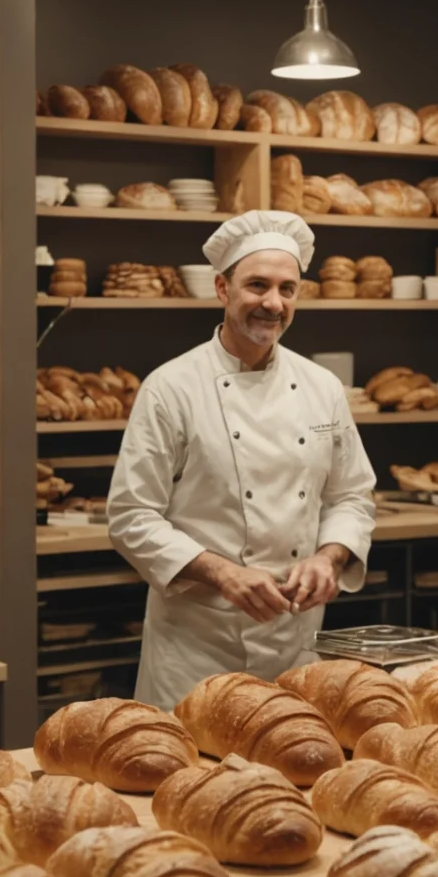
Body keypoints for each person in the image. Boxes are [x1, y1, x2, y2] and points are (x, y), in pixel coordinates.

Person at [107, 210, 377, 710]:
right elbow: (130, 516)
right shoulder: (171, 387)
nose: (272, 303)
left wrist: (329, 556)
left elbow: (350, 494)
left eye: (287, 289)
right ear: (221, 288)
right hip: (196, 651)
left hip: (295, 644)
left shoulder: (321, 387)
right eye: (257, 285)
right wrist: (224, 573)